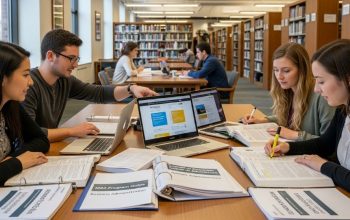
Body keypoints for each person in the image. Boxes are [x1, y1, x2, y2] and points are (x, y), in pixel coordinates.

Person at [22, 29, 157, 143]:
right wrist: (71, 131)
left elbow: (99, 93)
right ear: (50, 56)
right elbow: (30, 134)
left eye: (77, 59)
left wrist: (131, 88)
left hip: (47, 147)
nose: (75, 65)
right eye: (71, 58)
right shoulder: (28, 86)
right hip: (32, 154)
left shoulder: (64, 80)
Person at [265, 39, 350, 192]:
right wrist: (288, 147)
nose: (316, 89)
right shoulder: (343, 110)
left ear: (348, 79)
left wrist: (324, 166)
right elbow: (325, 144)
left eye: (321, 81)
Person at [242, 43, 335, 141]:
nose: (279, 76)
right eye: (276, 70)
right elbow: (288, 118)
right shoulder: (288, 91)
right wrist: (262, 121)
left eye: (286, 71)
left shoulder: (322, 96)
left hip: (312, 154)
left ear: (302, 70)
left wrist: (294, 135)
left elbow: (330, 143)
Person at [0, 41, 50, 186]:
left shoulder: (10, 105)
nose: (31, 82)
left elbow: (41, 140)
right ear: (3, 77)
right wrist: (18, 162)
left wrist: (11, 160)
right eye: (25, 75)